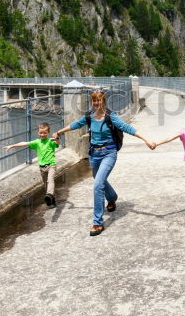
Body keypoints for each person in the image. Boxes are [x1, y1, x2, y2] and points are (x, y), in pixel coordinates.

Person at [53, 90, 154, 236]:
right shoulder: (89, 117)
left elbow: (128, 128)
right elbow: (74, 125)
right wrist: (59, 132)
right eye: (94, 100)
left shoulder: (110, 117)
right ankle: (112, 197)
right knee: (99, 180)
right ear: (91, 102)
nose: (96, 103)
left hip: (109, 153)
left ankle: (97, 223)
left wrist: (146, 139)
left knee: (98, 184)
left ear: (103, 101)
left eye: (98, 100)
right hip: (94, 154)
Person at [4, 122, 59, 208]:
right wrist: (12, 146)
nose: (42, 134)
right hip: (42, 167)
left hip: (51, 165)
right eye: (41, 132)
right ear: (38, 133)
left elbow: (57, 142)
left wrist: (57, 138)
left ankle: (50, 195)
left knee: (50, 180)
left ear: (48, 132)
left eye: (44, 132)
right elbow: (24, 143)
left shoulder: (50, 141)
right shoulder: (37, 142)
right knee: (46, 184)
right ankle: (51, 198)